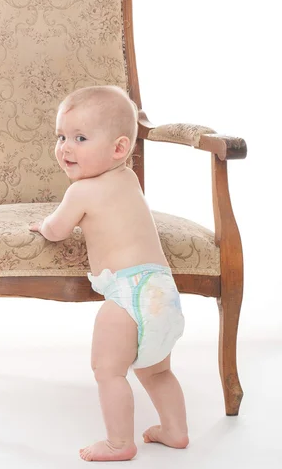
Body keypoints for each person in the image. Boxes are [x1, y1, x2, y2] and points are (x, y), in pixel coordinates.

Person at [29, 85, 189, 462]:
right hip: (162, 291)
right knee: (157, 371)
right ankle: (176, 431)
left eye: (80, 138)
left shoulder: (81, 192)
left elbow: (57, 229)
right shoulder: (128, 180)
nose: (65, 147)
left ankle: (120, 443)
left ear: (118, 149)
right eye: (61, 137)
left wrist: (42, 227)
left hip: (126, 294)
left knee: (109, 372)